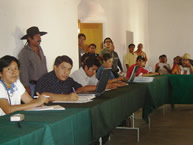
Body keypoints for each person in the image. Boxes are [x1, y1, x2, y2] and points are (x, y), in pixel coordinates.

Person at [18, 26, 48, 97]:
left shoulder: (40, 49)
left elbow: (44, 66)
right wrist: (26, 87)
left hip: (43, 84)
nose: (39, 38)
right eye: (36, 36)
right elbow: (23, 71)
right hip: (32, 86)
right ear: (29, 38)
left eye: (39, 36)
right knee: (33, 105)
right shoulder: (24, 53)